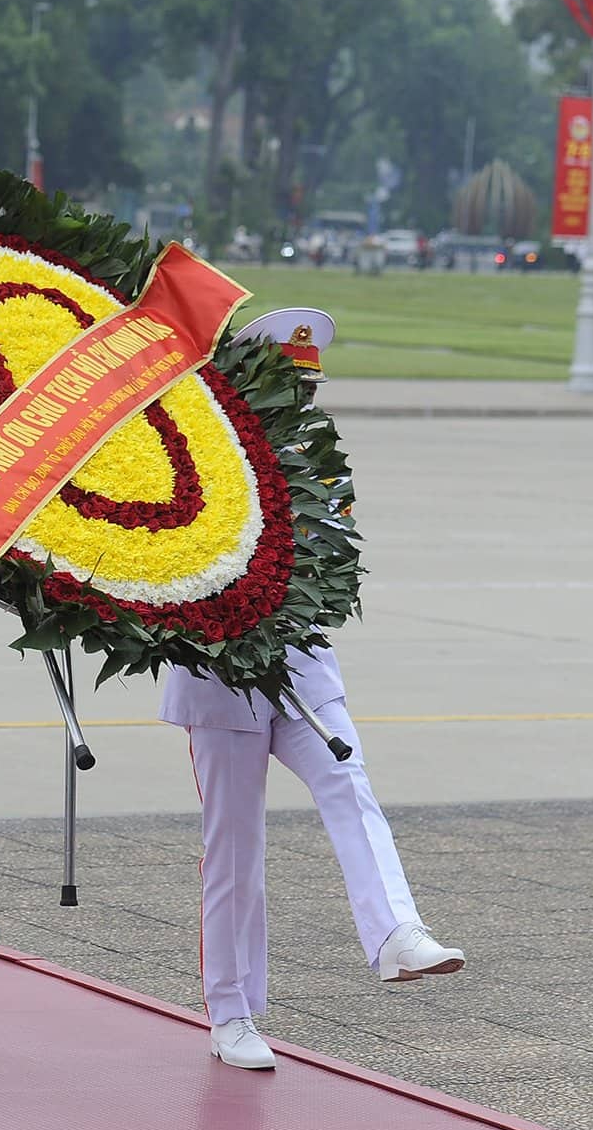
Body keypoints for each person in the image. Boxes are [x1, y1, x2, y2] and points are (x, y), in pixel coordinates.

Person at [161, 308, 465, 1073]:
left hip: (301, 667)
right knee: (234, 849)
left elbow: (334, 566)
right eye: (287, 381)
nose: (301, 397)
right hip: (221, 674)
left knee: (347, 780)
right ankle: (230, 1013)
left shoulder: (317, 460)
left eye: (308, 384)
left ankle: (396, 931)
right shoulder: (203, 454)